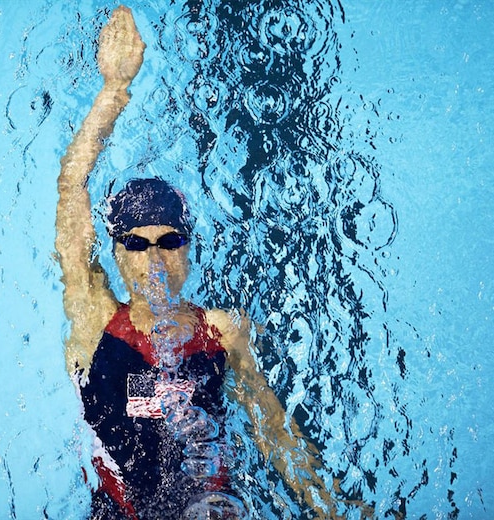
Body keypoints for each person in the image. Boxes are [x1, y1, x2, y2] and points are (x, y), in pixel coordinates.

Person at [55, 6, 355, 519]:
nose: (154, 258)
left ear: (189, 249)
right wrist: (113, 92)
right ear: (118, 255)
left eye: (169, 240)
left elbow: (279, 441)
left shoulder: (224, 333)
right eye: (137, 243)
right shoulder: (96, 322)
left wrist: (336, 511)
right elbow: (71, 191)